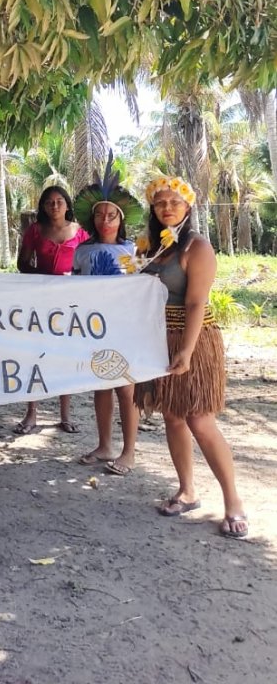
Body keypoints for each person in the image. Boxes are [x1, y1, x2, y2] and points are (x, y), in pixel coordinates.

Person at [134, 175, 248, 538]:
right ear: (153, 208)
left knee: (199, 419)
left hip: (194, 339)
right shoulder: (151, 247)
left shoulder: (195, 247)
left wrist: (185, 349)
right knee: (172, 416)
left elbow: (197, 301)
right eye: (160, 202)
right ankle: (187, 491)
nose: (167, 207)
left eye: (174, 202)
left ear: (188, 206)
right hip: (158, 337)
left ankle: (233, 501)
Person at [72, 163, 144, 475]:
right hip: (93, 328)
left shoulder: (134, 251)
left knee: (126, 388)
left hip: (124, 328)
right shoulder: (82, 252)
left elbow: (143, 289)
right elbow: (73, 288)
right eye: (100, 214)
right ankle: (104, 445)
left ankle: (129, 451)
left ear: (121, 218)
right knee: (100, 385)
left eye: (111, 214)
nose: (105, 220)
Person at [15, 185, 89, 435]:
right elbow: (22, 263)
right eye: (49, 202)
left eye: (59, 201)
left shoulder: (81, 233)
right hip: (40, 300)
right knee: (35, 354)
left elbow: (89, 266)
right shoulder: (35, 230)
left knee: (65, 356)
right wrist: (45, 277)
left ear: (67, 205)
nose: (55, 205)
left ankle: (65, 415)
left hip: (71, 303)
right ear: (43, 207)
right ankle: (31, 413)